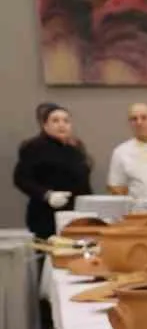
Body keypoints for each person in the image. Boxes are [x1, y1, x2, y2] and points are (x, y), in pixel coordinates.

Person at [14, 103, 92, 240]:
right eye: (55, 121)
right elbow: (21, 179)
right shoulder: (34, 147)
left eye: (66, 121)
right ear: (45, 126)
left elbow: (84, 183)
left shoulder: (76, 149)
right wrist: (47, 195)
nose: (61, 125)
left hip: (75, 216)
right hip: (45, 216)